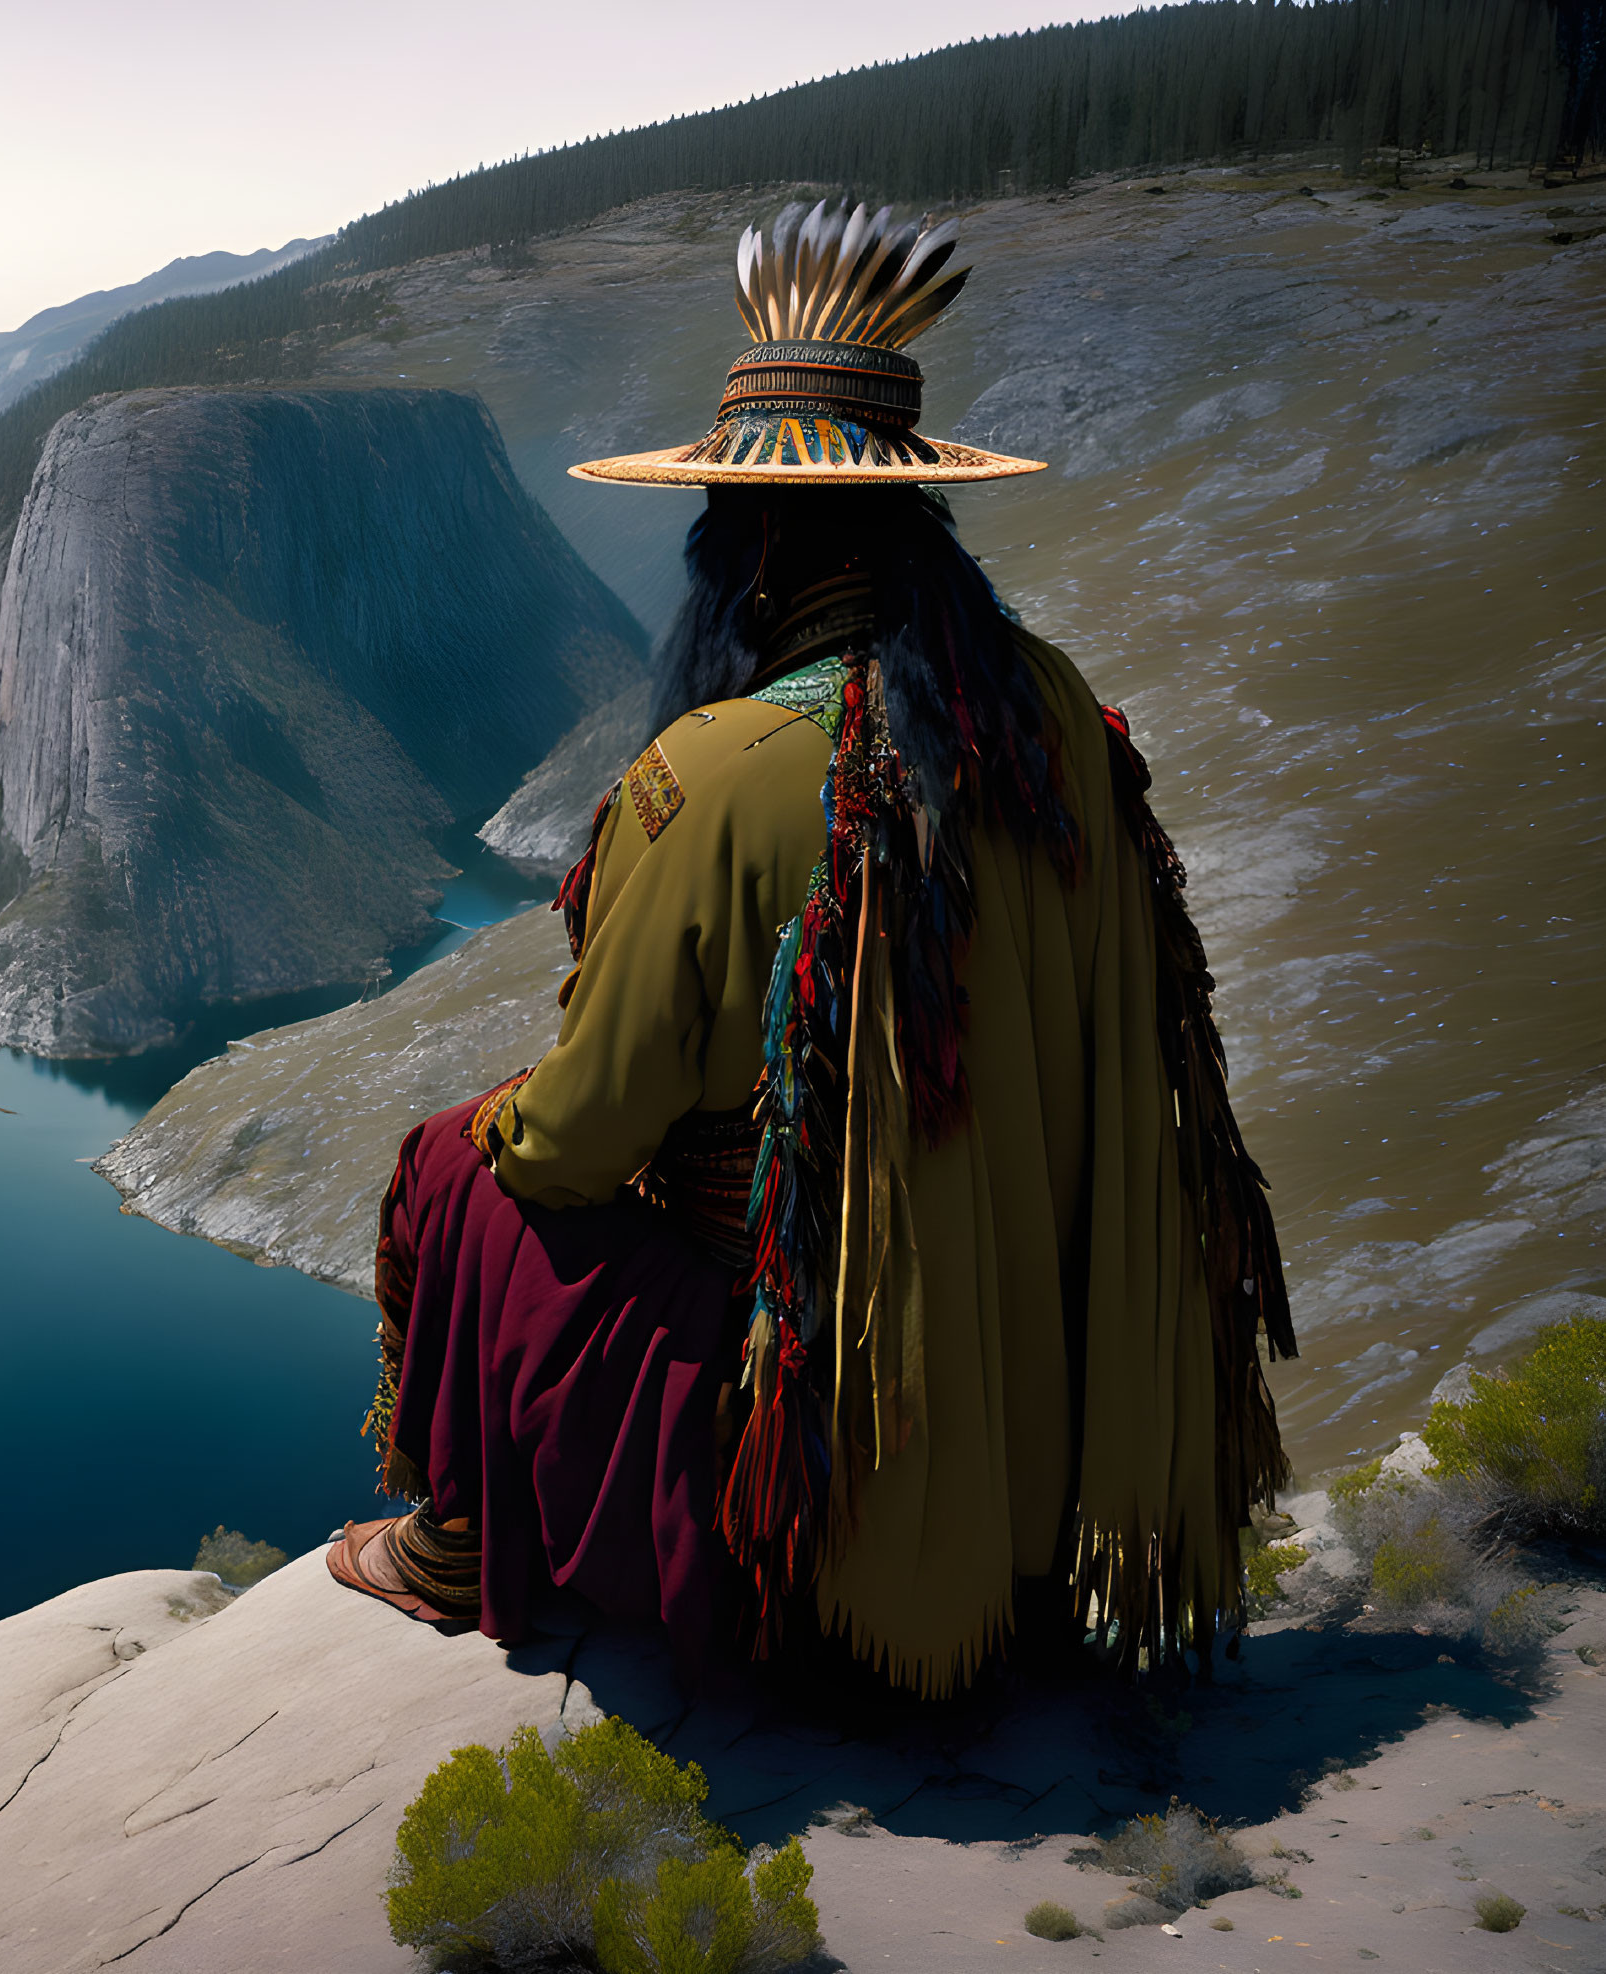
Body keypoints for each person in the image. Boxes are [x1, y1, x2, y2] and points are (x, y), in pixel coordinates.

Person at [327, 200, 1297, 1696]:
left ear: (757, 540)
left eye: (718, 524)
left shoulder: (714, 772)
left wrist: (509, 1121)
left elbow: (580, 1143)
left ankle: (460, 1538)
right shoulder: (1055, 718)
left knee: (454, 1163)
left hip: (809, 1443)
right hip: (1040, 1411)